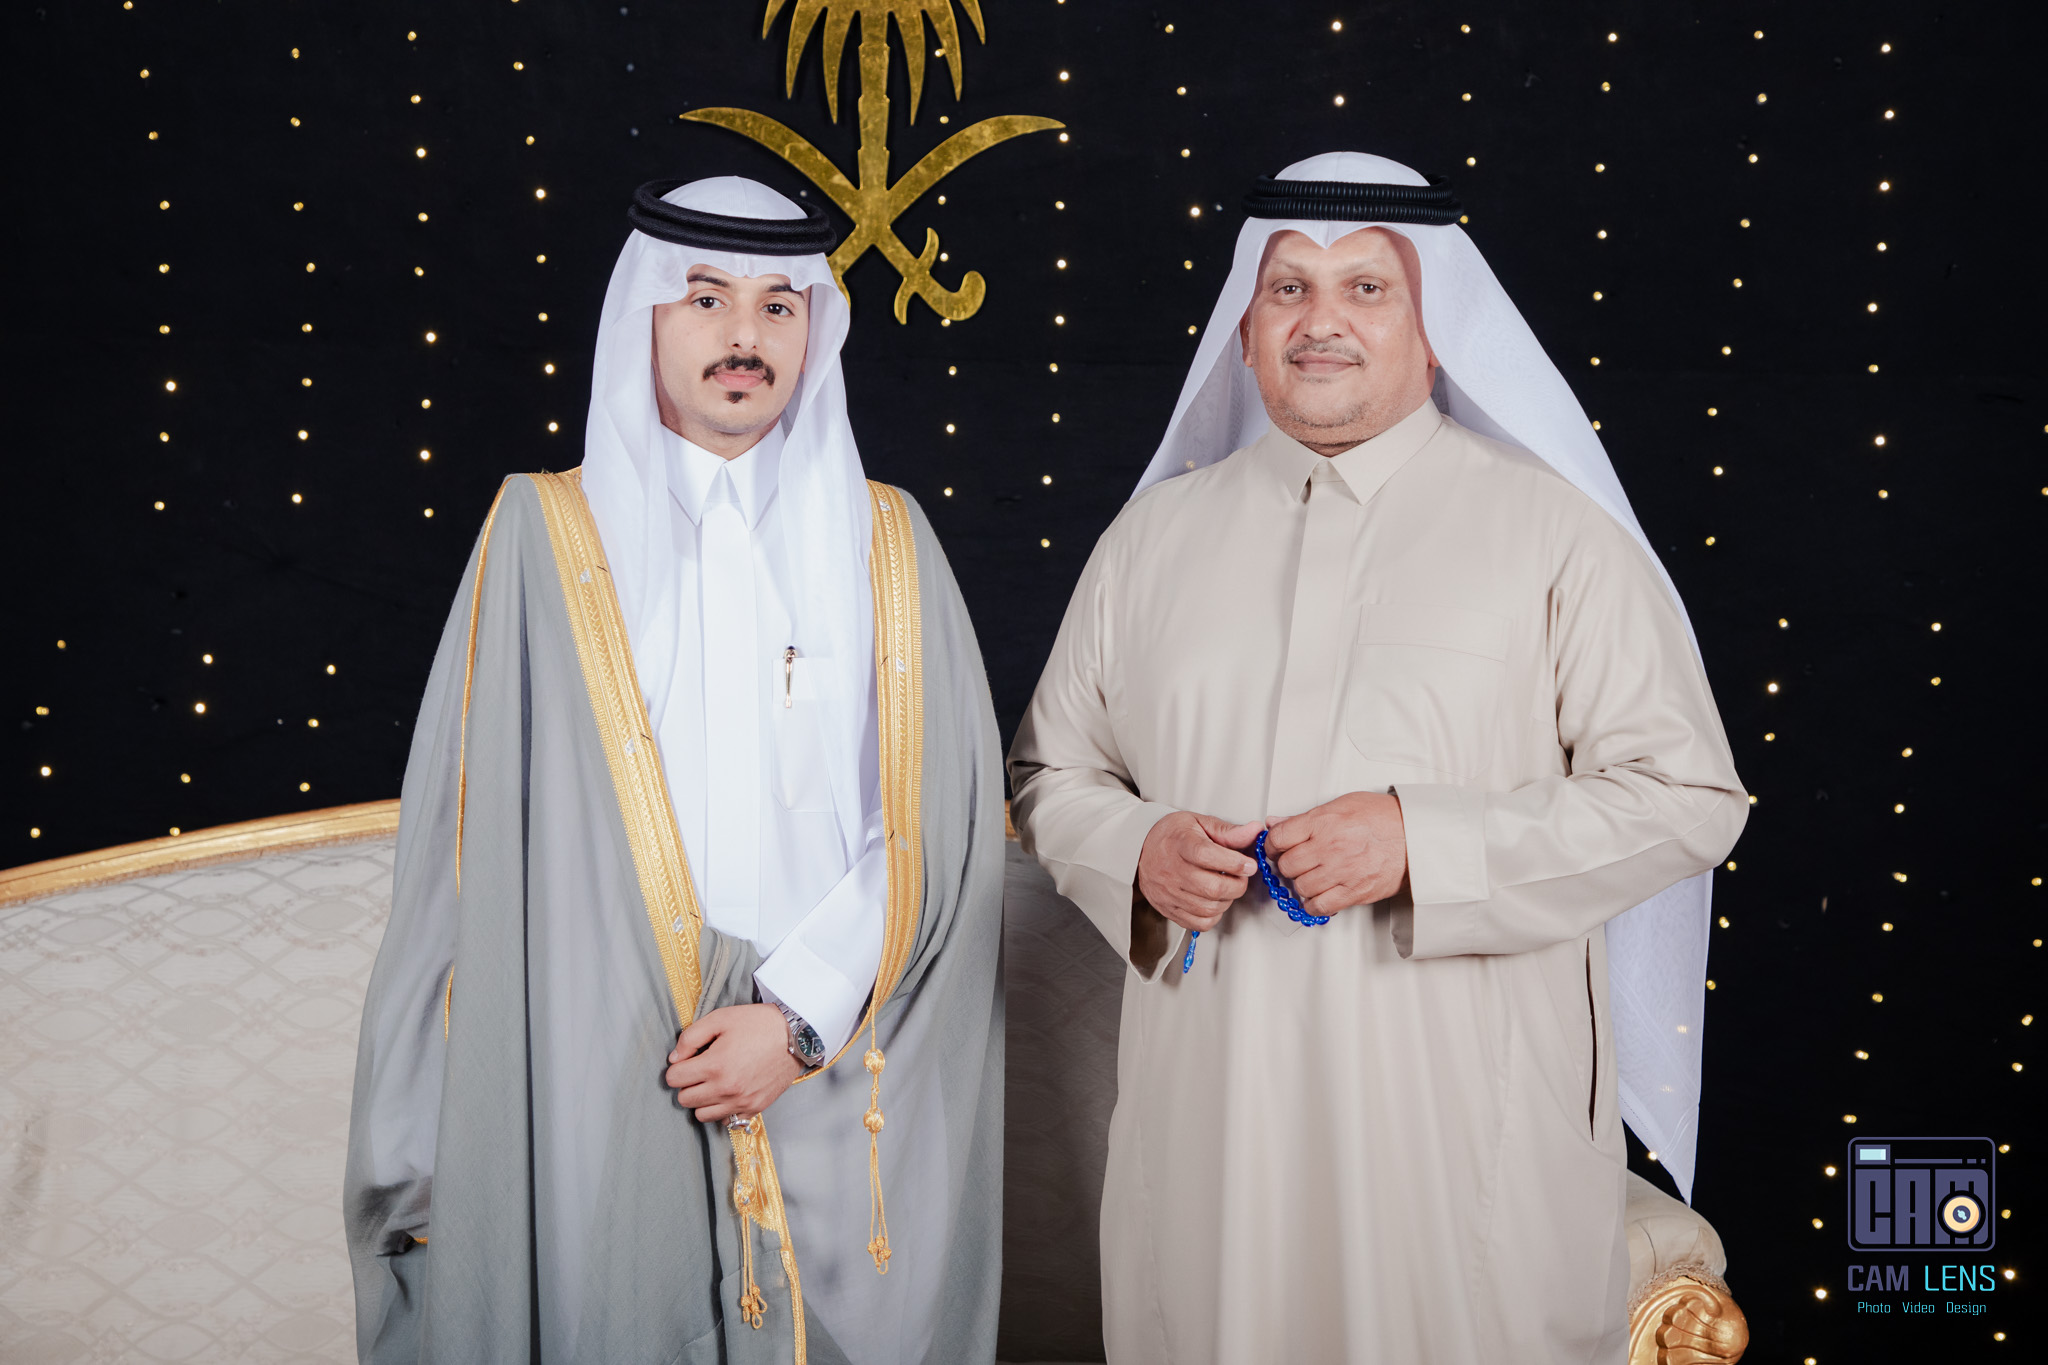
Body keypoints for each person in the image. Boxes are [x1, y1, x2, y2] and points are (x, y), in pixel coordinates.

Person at [1008, 152, 1748, 1362]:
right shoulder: (1149, 539)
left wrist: (1421, 842)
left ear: (1434, 328)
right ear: (1244, 330)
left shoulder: (1554, 533)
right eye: (1287, 289)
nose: (1320, 322)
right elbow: (1048, 777)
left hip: (1457, 1125)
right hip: (1211, 1123)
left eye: (1365, 288)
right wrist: (1136, 847)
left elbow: (1687, 799)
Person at [345, 176, 1004, 1365]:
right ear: (643, 317)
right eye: (705, 299)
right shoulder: (544, 533)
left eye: (777, 306)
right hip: (600, 1054)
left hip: (828, 1054)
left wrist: (794, 1019)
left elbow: (932, 825)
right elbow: (471, 841)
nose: (744, 336)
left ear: (814, 333)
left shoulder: (889, 542)